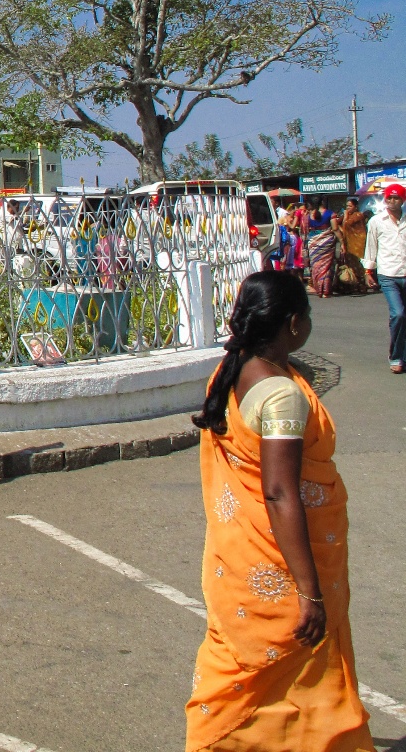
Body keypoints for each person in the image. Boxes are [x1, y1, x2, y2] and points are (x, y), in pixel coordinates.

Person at [185, 271, 374, 748]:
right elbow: (279, 491)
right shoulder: (282, 394)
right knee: (298, 669)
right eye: (307, 315)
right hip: (282, 563)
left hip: (238, 558)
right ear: (293, 324)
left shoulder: (234, 368)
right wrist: (310, 592)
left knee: (242, 674)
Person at [362, 182, 406, 374]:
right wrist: (368, 271)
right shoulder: (376, 221)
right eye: (389, 197)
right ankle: (396, 356)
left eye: (396, 198)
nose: (392, 201)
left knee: (402, 318)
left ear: (403, 200)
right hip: (388, 274)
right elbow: (370, 246)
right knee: (398, 314)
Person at [306, 197, 338, 299]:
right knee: (326, 266)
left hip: (313, 243)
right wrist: (342, 241)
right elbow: (335, 228)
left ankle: (319, 290)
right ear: (322, 202)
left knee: (316, 266)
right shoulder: (330, 214)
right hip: (327, 242)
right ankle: (326, 291)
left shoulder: (308, 216)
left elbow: (306, 231)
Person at [339, 198, 370, 294]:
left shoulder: (358, 215)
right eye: (347, 206)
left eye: (350, 206)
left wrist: (345, 216)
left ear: (355, 207)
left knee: (358, 265)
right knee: (350, 264)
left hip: (357, 244)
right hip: (348, 243)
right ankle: (353, 285)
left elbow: (346, 224)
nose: (348, 208)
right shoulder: (349, 215)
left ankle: (361, 285)